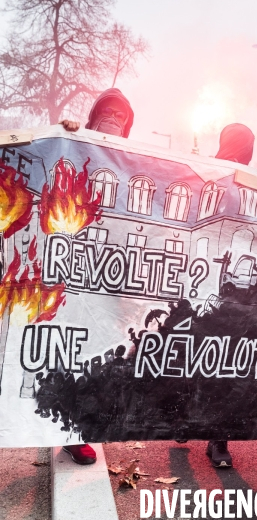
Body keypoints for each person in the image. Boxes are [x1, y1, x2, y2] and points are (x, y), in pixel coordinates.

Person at [59, 87, 134, 464]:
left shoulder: (133, 165)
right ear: (94, 116)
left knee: (95, 351)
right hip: (72, 270)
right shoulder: (73, 145)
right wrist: (63, 134)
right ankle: (67, 431)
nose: (115, 121)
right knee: (67, 345)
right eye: (108, 113)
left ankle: (78, 426)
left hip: (109, 276)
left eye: (122, 117)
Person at [204, 123, 255, 468]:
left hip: (235, 296)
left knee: (224, 365)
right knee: (200, 363)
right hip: (202, 288)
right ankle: (186, 424)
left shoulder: (256, 183)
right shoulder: (207, 173)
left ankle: (217, 439)